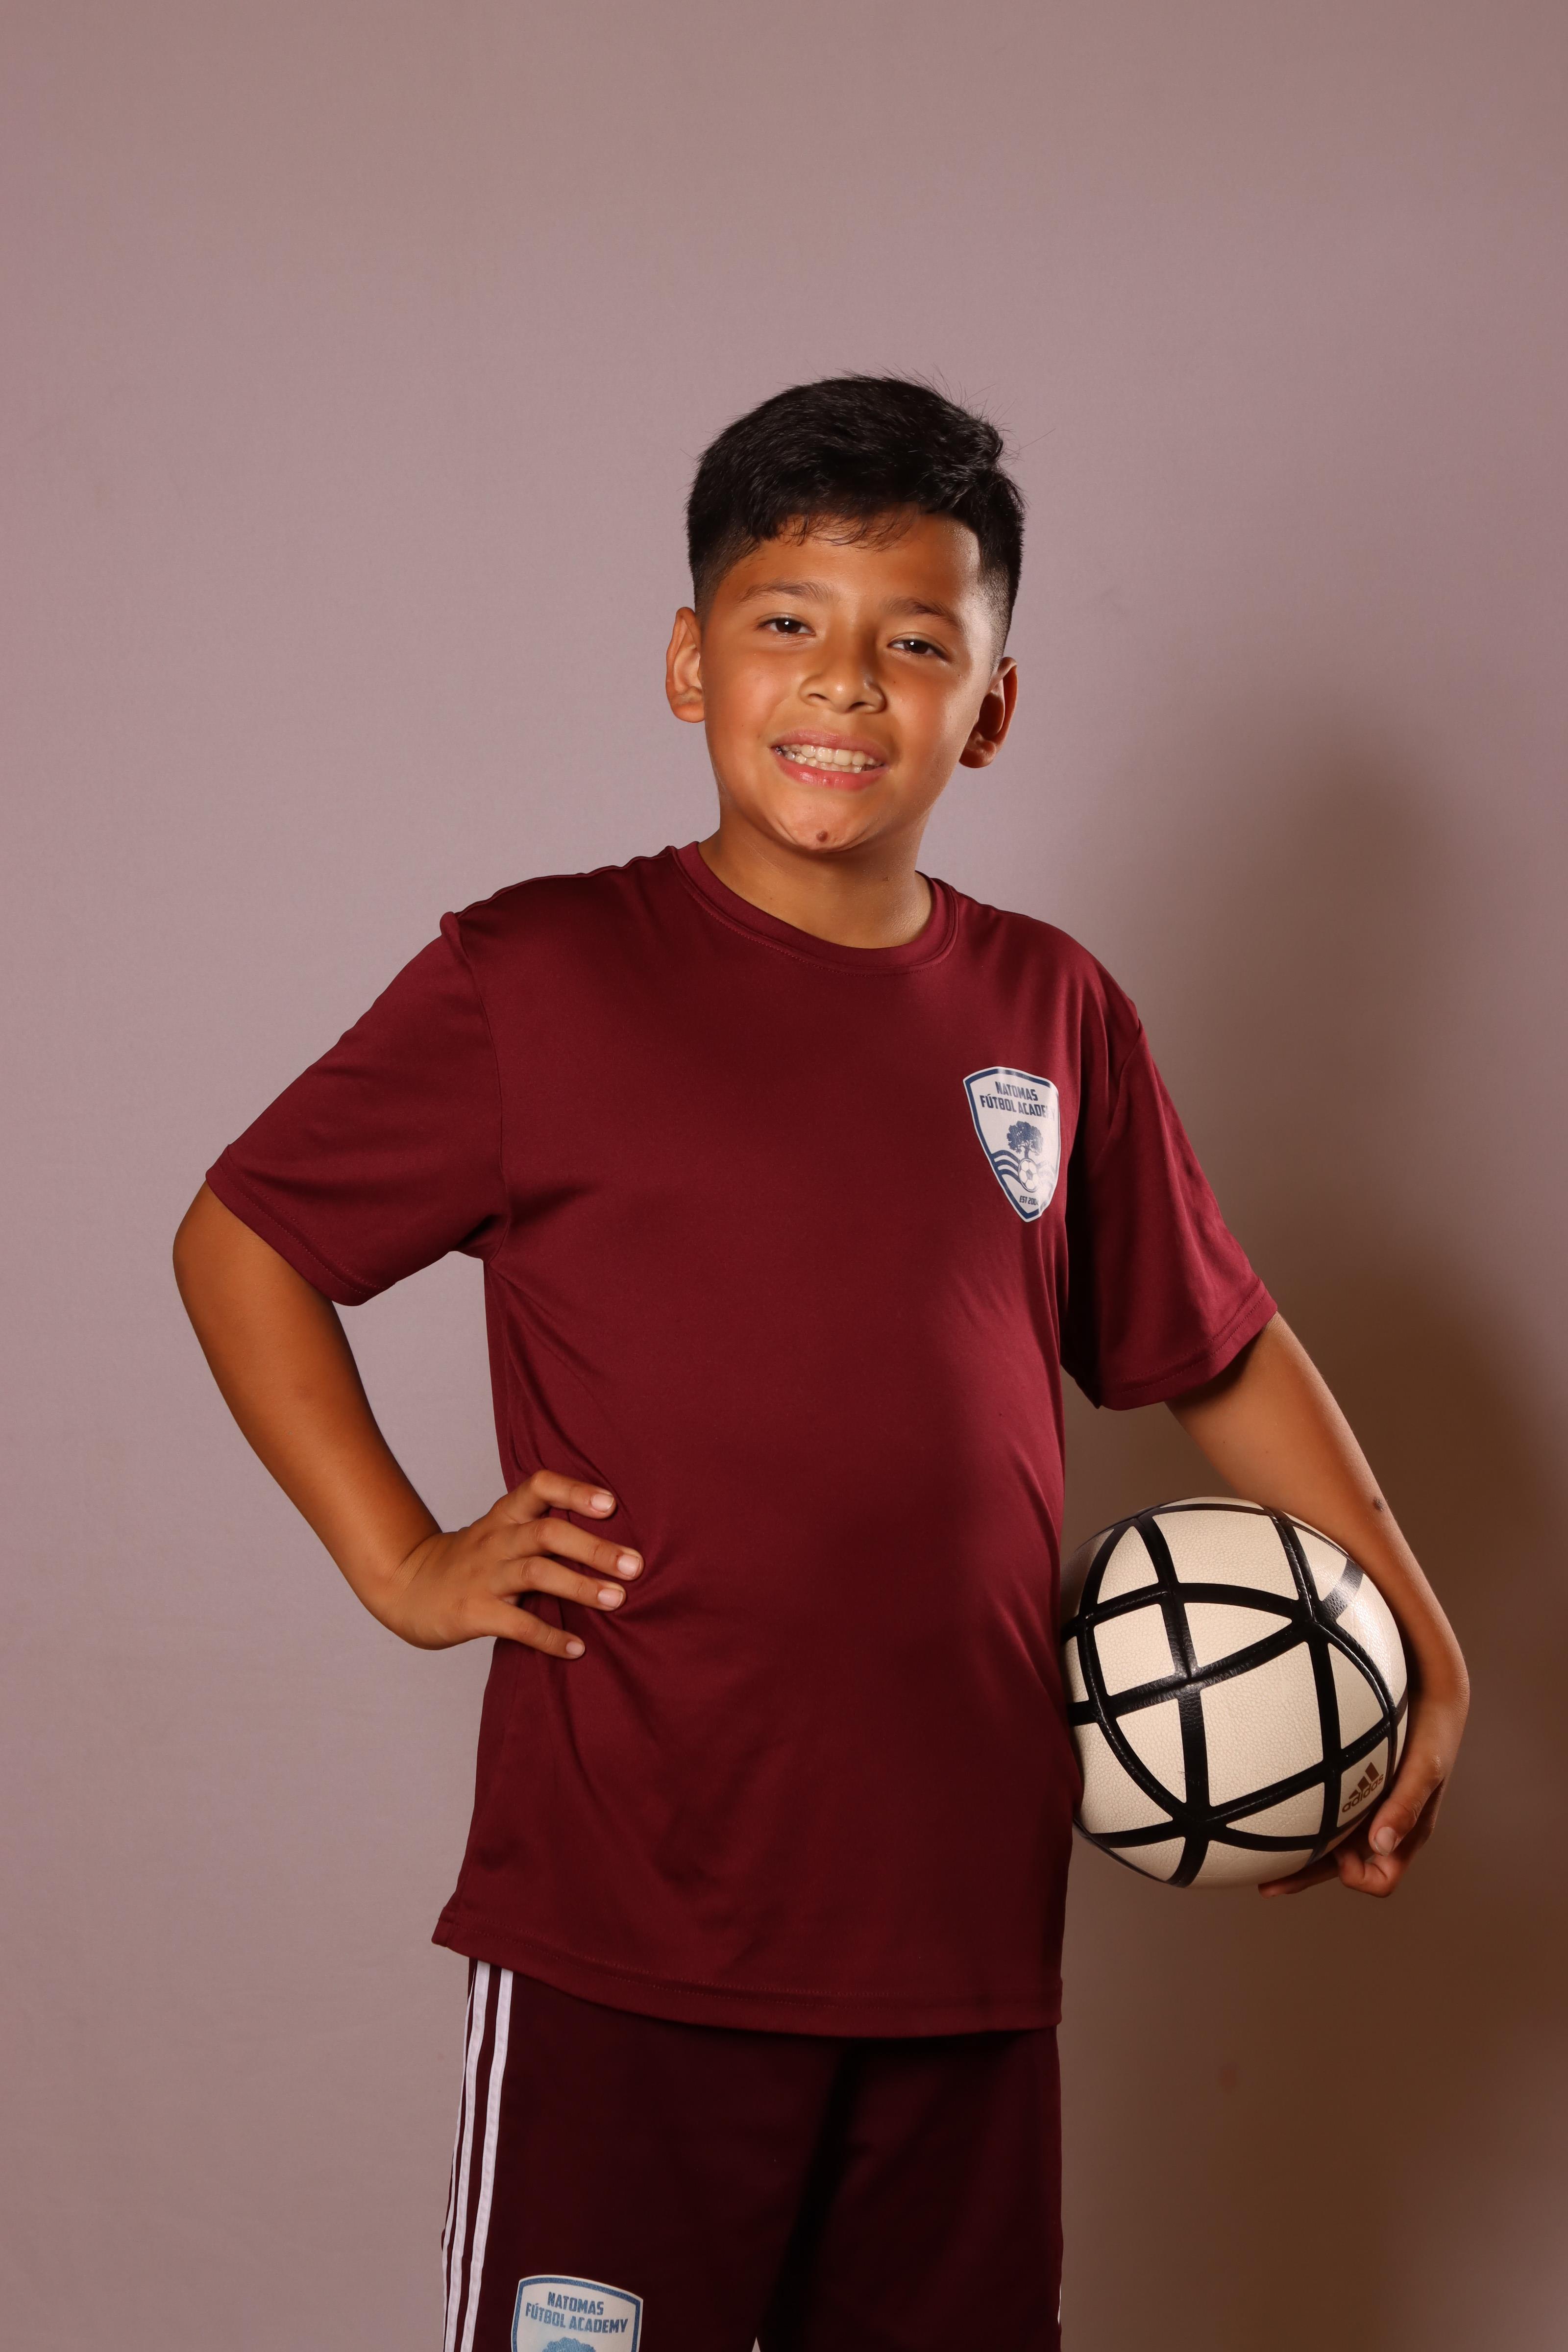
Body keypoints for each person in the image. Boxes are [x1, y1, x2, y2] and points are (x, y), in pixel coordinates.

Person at [172, 375, 1469, 2352]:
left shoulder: (1050, 1009)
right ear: (690, 664)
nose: (847, 682)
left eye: (916, 642)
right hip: (631, 1925)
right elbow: (247, 1238)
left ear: (992, 707)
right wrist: (401, 1560)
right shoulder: (542, 974)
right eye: (787, 622)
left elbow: (1215, 1351)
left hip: (959, 1942)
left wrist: (1422, 1647)